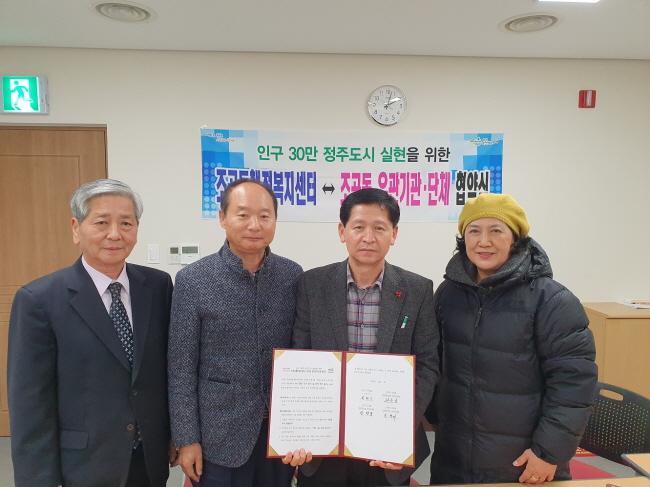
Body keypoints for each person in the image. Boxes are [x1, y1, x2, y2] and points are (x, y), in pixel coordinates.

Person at [8, 179, 175, 487]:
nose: (115, 234)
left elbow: (164, 371)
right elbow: (30, 404)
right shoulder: (39, 300)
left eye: (126, 223)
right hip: (81, 467)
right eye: (101, 222)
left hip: (147, 462)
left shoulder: (158, 286)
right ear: (76, 228)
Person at [427, 192, 597, 485]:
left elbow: (574, 384)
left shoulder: (551, 300)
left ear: (516, 239)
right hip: (453, 460)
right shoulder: (448, 293)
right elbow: (435, 362)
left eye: (496, 231)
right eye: (474, 231)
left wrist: (549, 452)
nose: (484, 241)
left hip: (523, 465)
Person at [288, 187, 439, 486]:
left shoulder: (417, 290)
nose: (368, 237)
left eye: (379, 228)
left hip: (387, 447)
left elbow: (427, 365)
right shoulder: (312, 284)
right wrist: (298, 431)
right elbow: (298, 358)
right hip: (323, 446)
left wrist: (400, 431)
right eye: (358, 227)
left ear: (394, 234)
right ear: (342, 231)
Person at [168, 179, 303, 487]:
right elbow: (180, 367)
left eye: (265, 216)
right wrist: (187, 438)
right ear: (222, 218)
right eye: (243, 215)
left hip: (278, 437)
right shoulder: (193, 280)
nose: (255, 225)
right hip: (217, 437)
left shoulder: (292, 275)